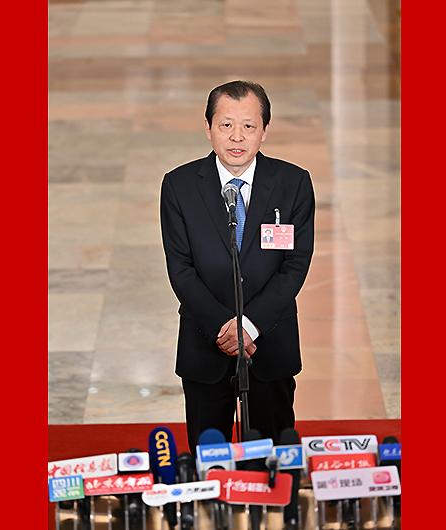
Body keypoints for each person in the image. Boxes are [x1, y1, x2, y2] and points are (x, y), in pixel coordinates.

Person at [159, 80, 315, 450]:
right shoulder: (179, 185)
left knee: (274, 455)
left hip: (269, 342)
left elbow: (294, 265)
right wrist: (222, 328)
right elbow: (181, 268)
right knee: (209, 455)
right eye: (226, 125)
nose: (237, 137)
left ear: (264, 130)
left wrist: (249, 326)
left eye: (248, 126)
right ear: (208, 127)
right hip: (205, 343)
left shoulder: (292, 183)